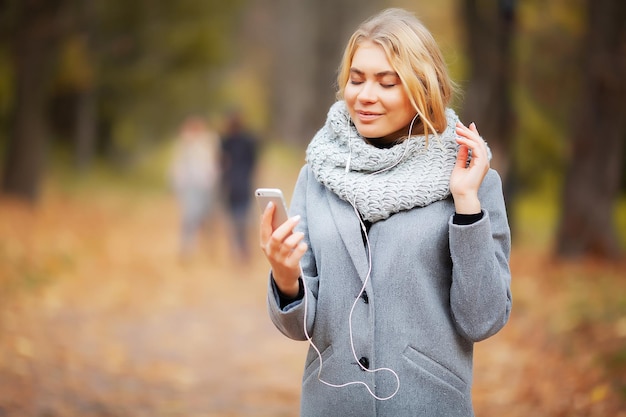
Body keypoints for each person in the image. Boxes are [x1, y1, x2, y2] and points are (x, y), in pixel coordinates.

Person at [259, 8, 511, 417]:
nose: (365, 95)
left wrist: (466, 206)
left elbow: (482, 320)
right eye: (356, 79)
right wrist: (286, 278)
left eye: (386, 82)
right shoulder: (318, 176)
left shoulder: (471, 179)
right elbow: (297, 329)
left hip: (427, 405)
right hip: (331, 404)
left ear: (422, 87)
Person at [169, 116, 220, 258]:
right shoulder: (185, 146)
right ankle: (187, 248)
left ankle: (208, 248)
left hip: (206, 187)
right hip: (192, 187)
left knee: (208, 219)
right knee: (190, 217)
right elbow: (178, 169)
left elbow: (213, 163)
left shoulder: (207, 142)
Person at [220, 110, 259, 261]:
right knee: (238, 220)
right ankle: (241, 249)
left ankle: (240, 249)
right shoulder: (233, 141)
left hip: (236, 185)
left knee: (238, 221)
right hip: (237, 185)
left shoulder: (229, 141)